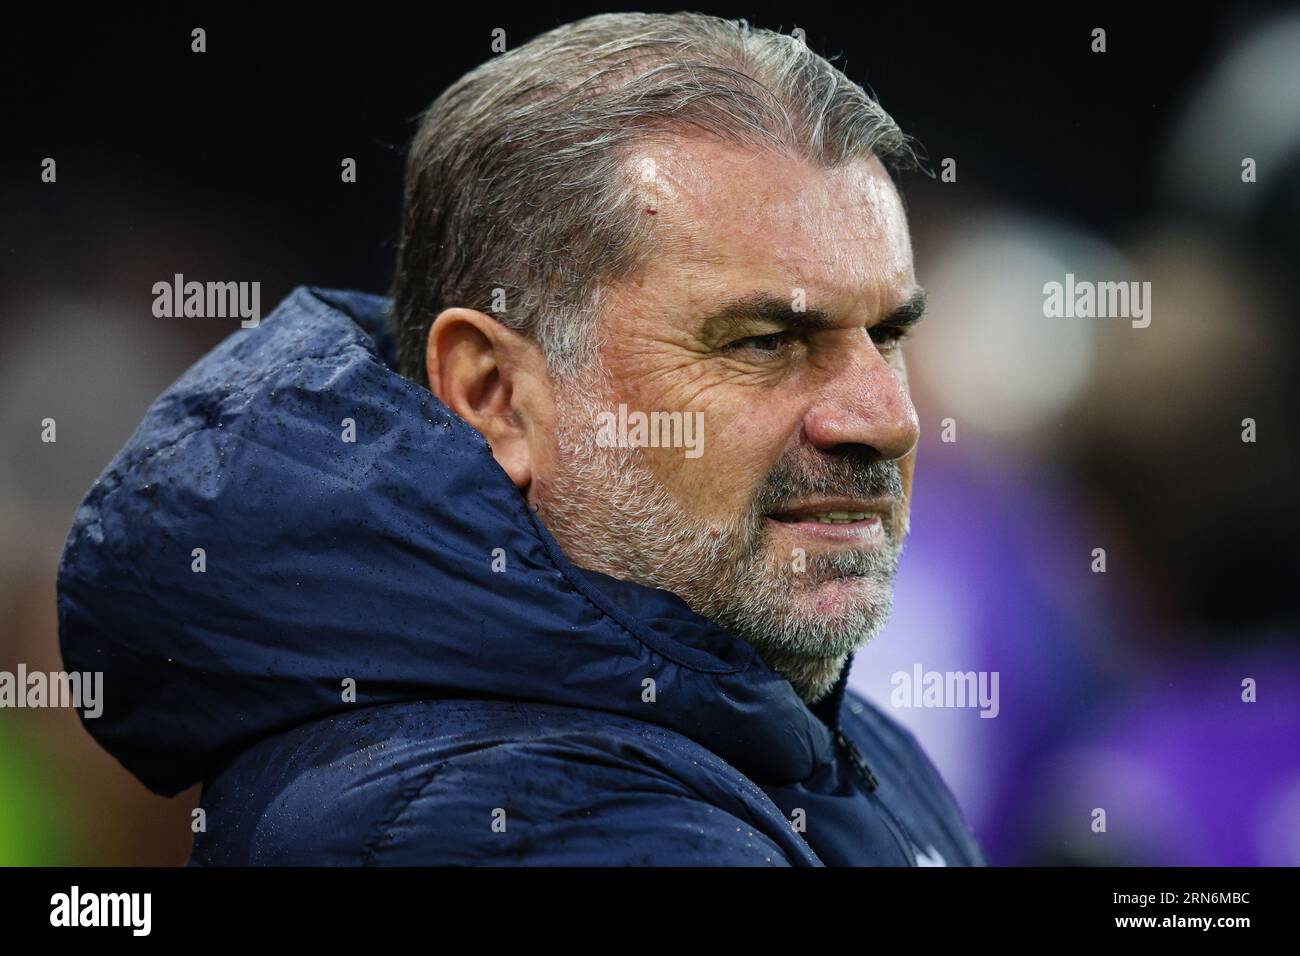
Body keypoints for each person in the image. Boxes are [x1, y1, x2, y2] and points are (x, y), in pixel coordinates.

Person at [58, 11, 986, 866]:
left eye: (889, 335)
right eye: (765, 341)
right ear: (495, 394)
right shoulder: (498, 818)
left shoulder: (829, 735)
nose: (886, 417)